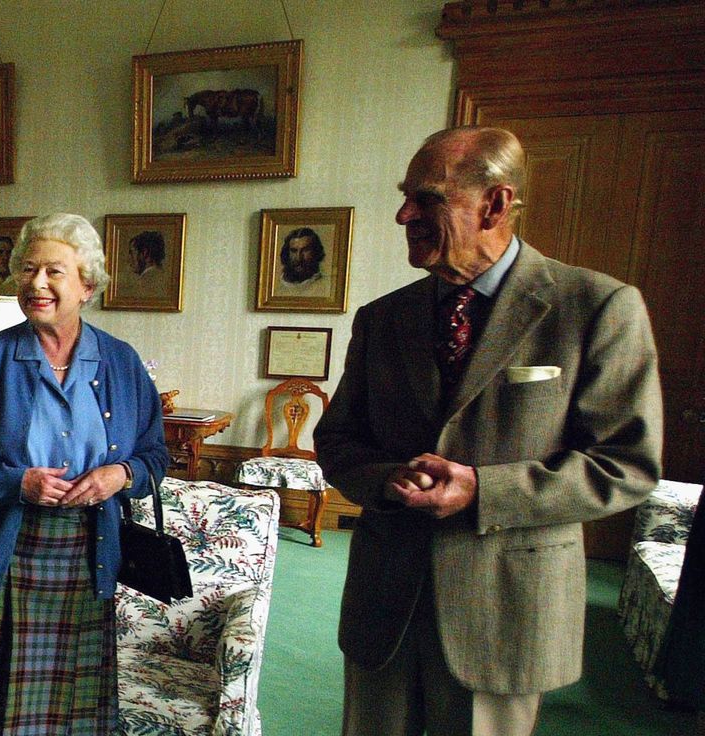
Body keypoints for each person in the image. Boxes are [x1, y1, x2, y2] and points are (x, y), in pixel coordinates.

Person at [314, 126, 663, 736]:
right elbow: (339, 439)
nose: (404, 214)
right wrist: (385, 477)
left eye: (426, 198)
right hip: (384, 602)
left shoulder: (597, 307)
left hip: (506, 606)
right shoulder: (382, 318)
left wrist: (482, 489)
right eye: (406, 196)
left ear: (495, 204)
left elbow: (626, 464)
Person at [0, 212, 169, 736]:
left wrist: (120, 475)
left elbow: (156, 456)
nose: (37, 284)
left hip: (85, 554)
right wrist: (17, 483)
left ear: (87, 284)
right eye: (28, 270)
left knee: (67, 710)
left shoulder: (122, 363)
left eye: (54, 272)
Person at [276, 227, 329, 298]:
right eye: (294, 251)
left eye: (305, 250)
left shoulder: (326, 286)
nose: (299, 257)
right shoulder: (276, 287)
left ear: (316, 252)